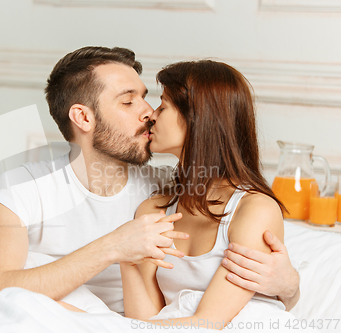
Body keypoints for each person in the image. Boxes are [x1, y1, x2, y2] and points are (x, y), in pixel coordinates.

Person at [0, 47, 300, 316]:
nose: (148, 112)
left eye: (150, 99)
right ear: (84, 117)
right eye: (128, 101)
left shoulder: (161, 191)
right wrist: (113, 247)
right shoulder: (22, 188)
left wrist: (289, 287)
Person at [120, 60, 299, 328]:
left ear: (198, 119)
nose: (152, 116)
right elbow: (145, 321)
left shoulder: (253, 210)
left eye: (163, 105)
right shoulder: (153, 210)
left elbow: (207, 323)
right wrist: (126, 259)